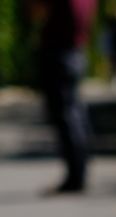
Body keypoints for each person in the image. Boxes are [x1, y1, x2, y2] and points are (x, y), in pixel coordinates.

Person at [29, 0, 98, 194]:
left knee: (65, 114)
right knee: (75, 111)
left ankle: (75, 177)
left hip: (57, 52)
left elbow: (36, 11)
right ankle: (79, 171)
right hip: (77, 52)